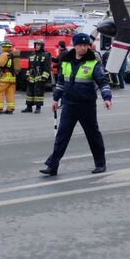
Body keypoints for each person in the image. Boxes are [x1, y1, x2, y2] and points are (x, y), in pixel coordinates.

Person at [40, 33, 112, 176]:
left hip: (87, 106)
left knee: (93, 135)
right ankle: (53, 166)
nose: (83, 48)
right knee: (62, 136)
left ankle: (100, 164)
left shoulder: (93, 62)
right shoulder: (66, 61)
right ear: (75, 45)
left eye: (86, 45)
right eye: (80, 45)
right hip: (69, 104)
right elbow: (61, 82)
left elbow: (103, 82)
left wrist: (107, 98)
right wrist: (55, 99)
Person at [22, 40, 52, 113]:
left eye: (39, 45)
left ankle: (38, 108)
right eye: (36, 45)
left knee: (38, 92)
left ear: (42, 46)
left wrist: (44, 77)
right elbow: (29, 67)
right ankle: (29, 107)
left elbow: (47, 67)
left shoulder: (46, 55)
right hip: (32, 76)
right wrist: (27, 75)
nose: (37, 46)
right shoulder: (32, 54)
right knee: (29, 92)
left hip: (40, 76)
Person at [0, 41, 18, 115]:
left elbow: (0, 64)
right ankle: (10, 109)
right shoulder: (14, 55)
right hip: (12, 78)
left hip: (4, 77)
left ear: (4, 47)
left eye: (2, 47)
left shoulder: (4, 54)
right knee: (10, 93)